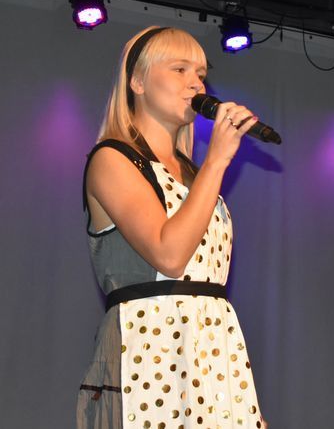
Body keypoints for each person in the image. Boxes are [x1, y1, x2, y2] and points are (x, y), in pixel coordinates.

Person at [76, 26, 265, 428]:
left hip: (212, 351)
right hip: (147, 351)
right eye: (180, 69)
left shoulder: (194, 173)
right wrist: (217, 161)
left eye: (200, 73)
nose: (196, 83)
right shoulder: (112, 159)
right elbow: (169, 255)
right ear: (137, 81)